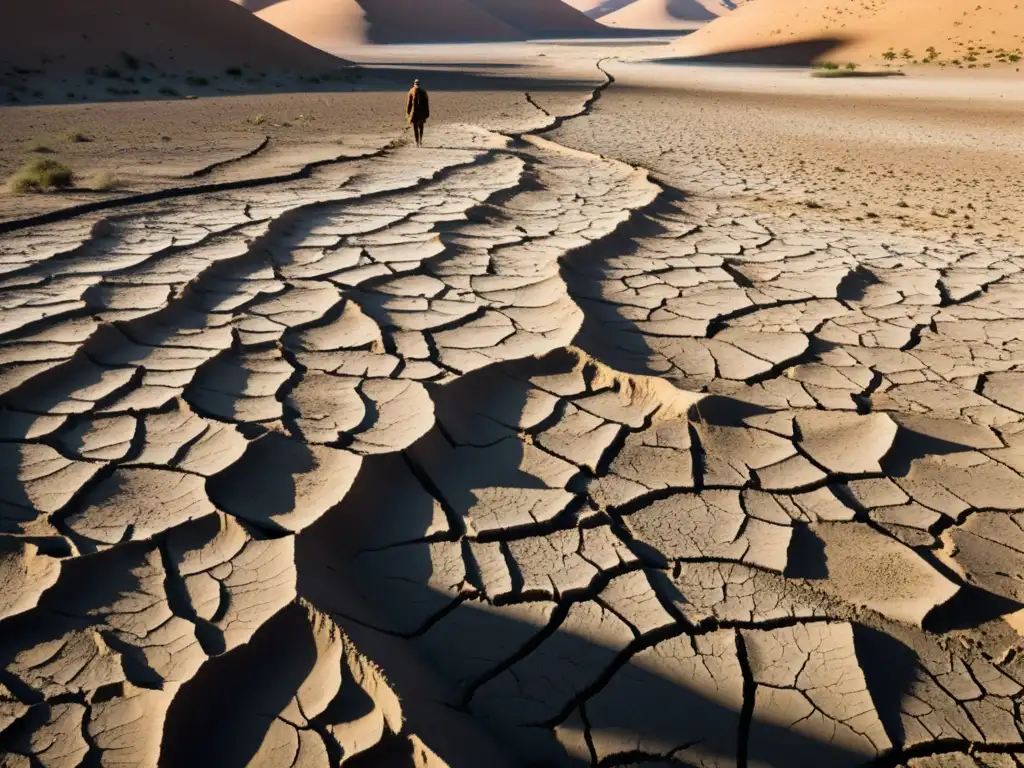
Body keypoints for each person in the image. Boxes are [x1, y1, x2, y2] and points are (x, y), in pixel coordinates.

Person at [406, 78, 430, 148]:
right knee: (421, 127)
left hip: (415, 113)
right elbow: (426, 103)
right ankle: (420, 141)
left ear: (414, 84)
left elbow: (409, 103)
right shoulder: (423, 91)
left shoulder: (411, 91)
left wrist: (408, 113)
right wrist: (427, 113)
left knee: (415, 128)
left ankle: (417, 142)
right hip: (422, 113)